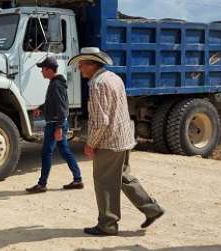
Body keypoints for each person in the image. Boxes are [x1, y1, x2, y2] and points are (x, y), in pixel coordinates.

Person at [68, 47, 164, 235]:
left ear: (92, 64)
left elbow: (100, 120)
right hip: (123, 137)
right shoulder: (113, 78)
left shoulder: (97, 84)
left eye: (82, 64)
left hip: (109, 141)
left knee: (104, 182)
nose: (79, 68)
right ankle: (152, 209)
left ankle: (108, 224)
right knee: (123, 177)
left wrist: (90, 143)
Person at [26, 56, 83, 194]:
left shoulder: (56, 84)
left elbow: (62, 107)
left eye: (43, 69)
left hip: (55, 125)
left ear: (49, 69)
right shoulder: (55, 83)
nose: (41, 72)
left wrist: (58, 127)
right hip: (56, 123)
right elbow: (53, 103)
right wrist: (41, 107)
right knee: (64, 151)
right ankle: (77, 179)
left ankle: (42, 184)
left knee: (47, 153)